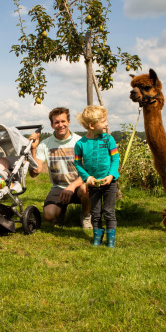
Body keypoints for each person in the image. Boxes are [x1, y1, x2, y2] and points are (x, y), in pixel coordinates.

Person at [28, 107, 91, 228]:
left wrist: (72, 186)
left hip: (78, 185)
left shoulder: (80, 141)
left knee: (85, 189)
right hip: (59, 188)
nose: (60, 125)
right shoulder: (45, 144)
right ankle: (61, 212)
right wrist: (33, 148)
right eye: (56, 122)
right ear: (52, 125)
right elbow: (35, 172)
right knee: (48, 216)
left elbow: (88, 171)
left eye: (63, 121)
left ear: (69, 122)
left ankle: (86, 216)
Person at [74, 106, 120, 247]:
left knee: (109, 211)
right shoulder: (80, 144)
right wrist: (87, 178)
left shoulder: (108, 139)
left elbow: (115, 158)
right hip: (93, 184)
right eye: (104, 121)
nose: (107, 124)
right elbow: (77, 163)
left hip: (109, 182)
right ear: (92, 125)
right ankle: (97, 238)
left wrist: (111, 175)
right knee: (96, 212)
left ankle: (110, 240)